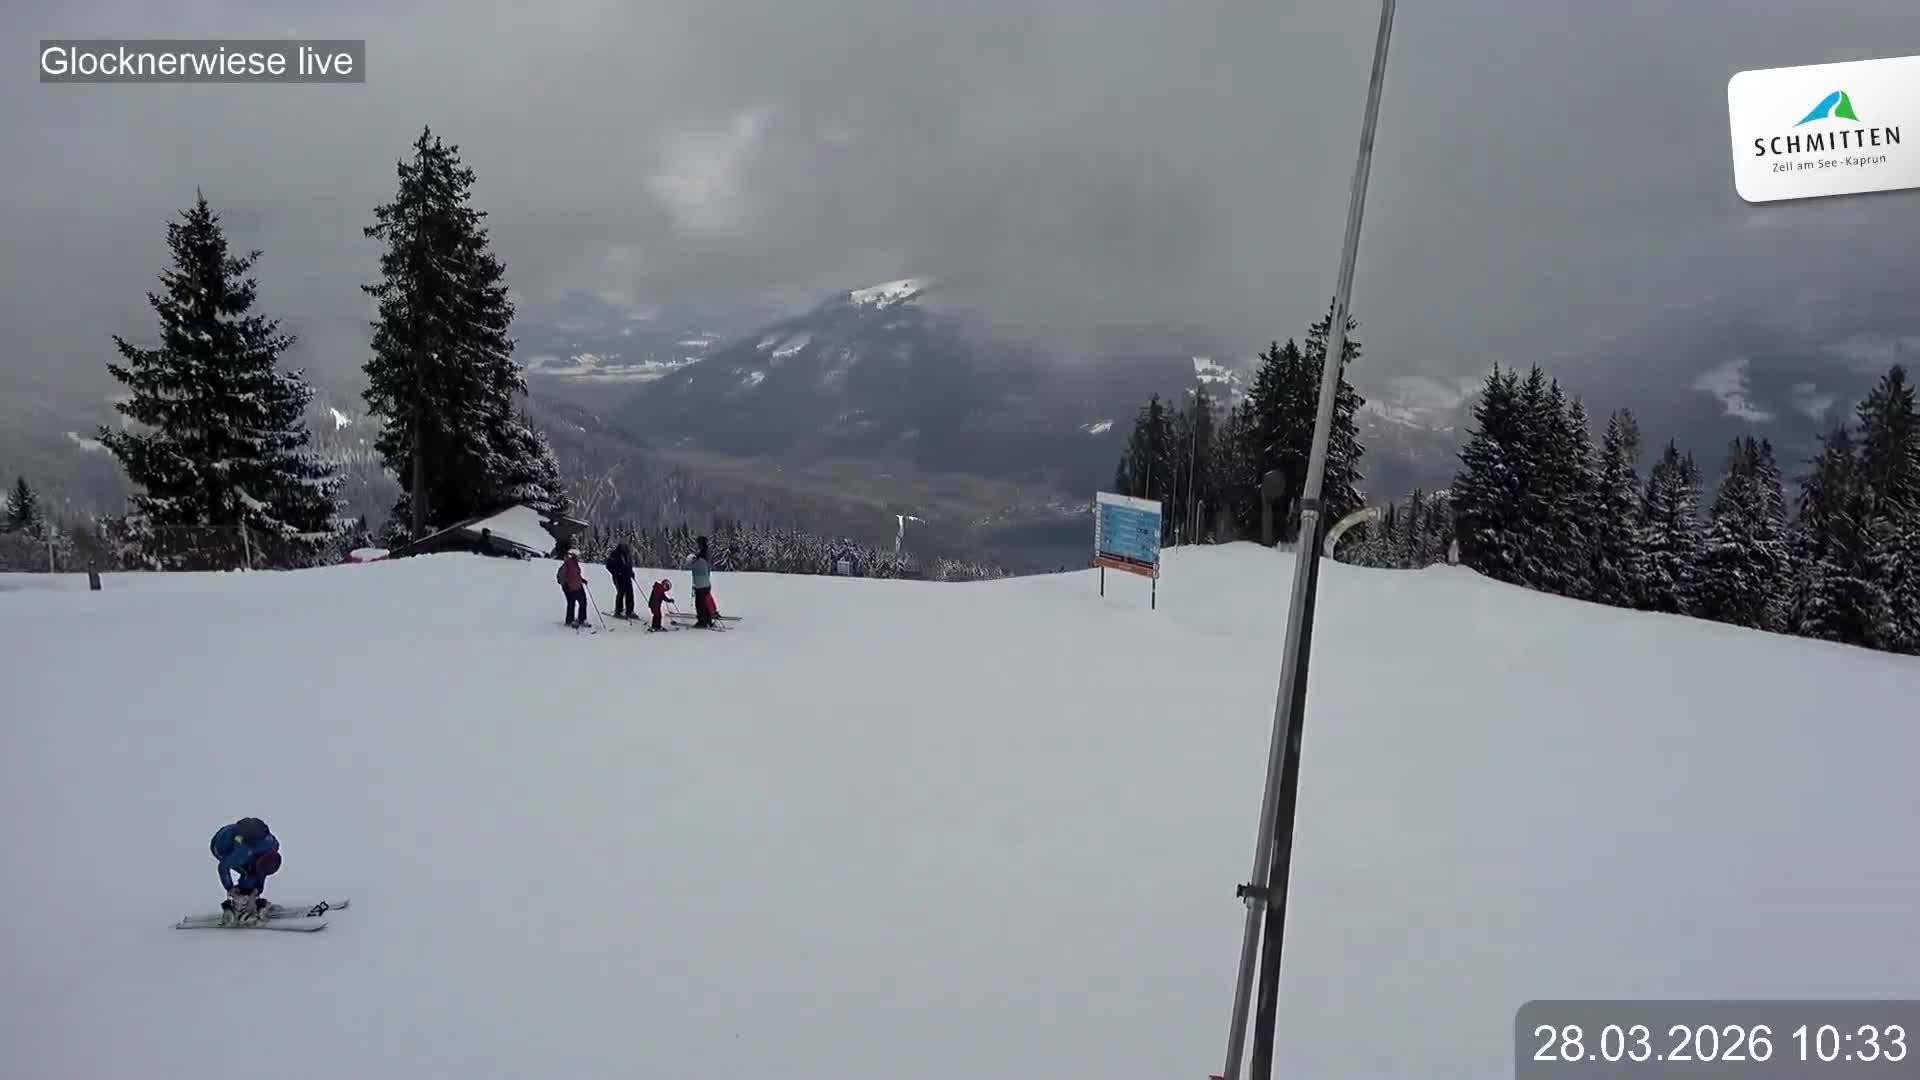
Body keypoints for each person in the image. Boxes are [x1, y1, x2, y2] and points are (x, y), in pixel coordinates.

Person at [210, 816, 281, 923]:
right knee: (249, 874)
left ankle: (249, 900)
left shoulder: (273, 845)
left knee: (254, 872)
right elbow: (223, 867)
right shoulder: (243, 853)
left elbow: (262, 872)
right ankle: (240, 906)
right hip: (220, 847)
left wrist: (257, 890)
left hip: (240, 841)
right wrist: (230, 888)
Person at [688, 536, 717, 627]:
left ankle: (702, 621)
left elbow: (692, 564)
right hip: (706, 583)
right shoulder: (705, 554)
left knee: (699, 604)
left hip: (700, 585)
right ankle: (708, 619)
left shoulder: (700, 556)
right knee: (705, 602)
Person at [557, 549, 588, 626]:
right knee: (572, 602)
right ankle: (570, 620)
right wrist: (565, 584)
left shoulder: (574, 563)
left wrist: (581, 580)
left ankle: (581, 619)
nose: (579, 557)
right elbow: (563, 576)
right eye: (578, 556)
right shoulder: (568, 563)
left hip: (577, 585)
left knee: (583, 601)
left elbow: (575, 575)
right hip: (569, 587)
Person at [607, 541, 637, 619]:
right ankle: (618, 611)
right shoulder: (615, 554)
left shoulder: (627, 554)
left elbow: (628, 565)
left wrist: (631, 572)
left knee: (630, 593)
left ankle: (629, 611)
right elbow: (608, 566)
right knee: (621, 593)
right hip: (619, 578)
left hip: (627, 577)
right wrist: (616, 573)